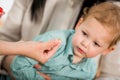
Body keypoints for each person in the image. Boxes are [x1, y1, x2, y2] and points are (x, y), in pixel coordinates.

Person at [9, 2, 120, 80]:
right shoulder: (53, 42)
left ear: (108, 50)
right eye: (84, 34)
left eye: (96, 44)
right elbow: (19, 64)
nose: (85, 44)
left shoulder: (89, 70)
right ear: (79, 24)